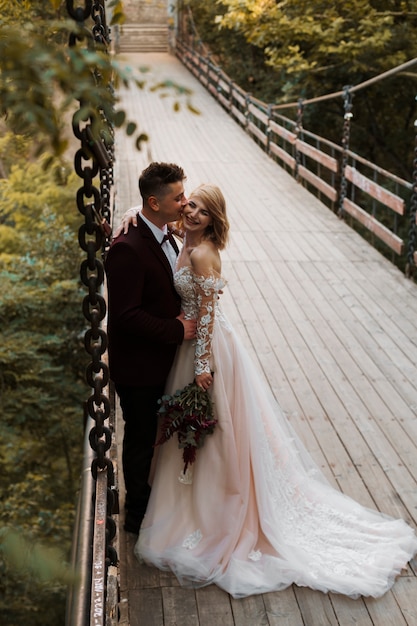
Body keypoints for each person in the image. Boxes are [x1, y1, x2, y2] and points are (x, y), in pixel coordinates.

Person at [119, 183, 417, 598]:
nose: (191, 212)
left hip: (204, 350)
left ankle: (216, 511)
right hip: (184, 348)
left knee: (216, 431)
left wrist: (202, 365)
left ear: (212, 220)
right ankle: (184, 503)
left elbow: (206, 314)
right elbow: (155, 215)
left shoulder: (204, 254)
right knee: (192, 430)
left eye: (202, 211)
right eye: (190, 205)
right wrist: (134, 211)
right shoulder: (177, 236)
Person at [105, 162, 196, 535]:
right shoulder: (127, 248)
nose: (185, 203)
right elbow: (125, 316)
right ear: (155, 202)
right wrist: (176, 329)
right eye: (178, 197)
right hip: (140, 368)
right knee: (141, 440)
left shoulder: (161, 230)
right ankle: (137, 518)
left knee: (160, 438)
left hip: (164, 360)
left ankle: (162, 504)